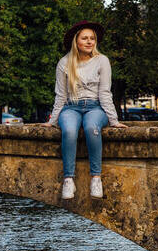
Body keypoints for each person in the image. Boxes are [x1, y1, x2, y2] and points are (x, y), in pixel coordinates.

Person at [41, 21, 127, 199]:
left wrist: (113, 120)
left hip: (95, 107)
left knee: (91, 129)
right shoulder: (64, 63)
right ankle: (68, 180)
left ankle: (96, 178)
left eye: (92, 39)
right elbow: (61, 95)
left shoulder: (102, 61)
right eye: (85, 38)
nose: (90, 42)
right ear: (76, 41)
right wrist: (52, 121)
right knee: (70, 131)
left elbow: (104, 92)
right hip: (71, 107)